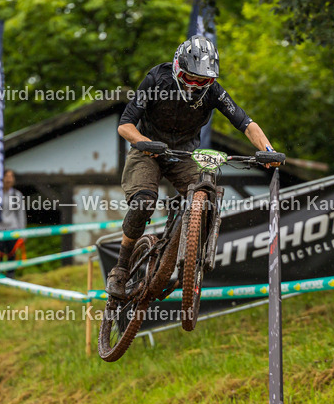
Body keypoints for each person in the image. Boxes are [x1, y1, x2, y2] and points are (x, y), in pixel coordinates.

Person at [105, 35, 281, 299]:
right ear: (178, 68)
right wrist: (145, 142)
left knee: (207, 195)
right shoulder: (156, 79)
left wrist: (267, 151)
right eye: (192, 78)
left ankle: (183, 262)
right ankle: (119, 270)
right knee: (143, 203)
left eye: (204, 81)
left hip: (183, 154)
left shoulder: (214, 91)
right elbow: (125, 124)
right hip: (147, 151)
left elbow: (245, 123)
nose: (197, 85)